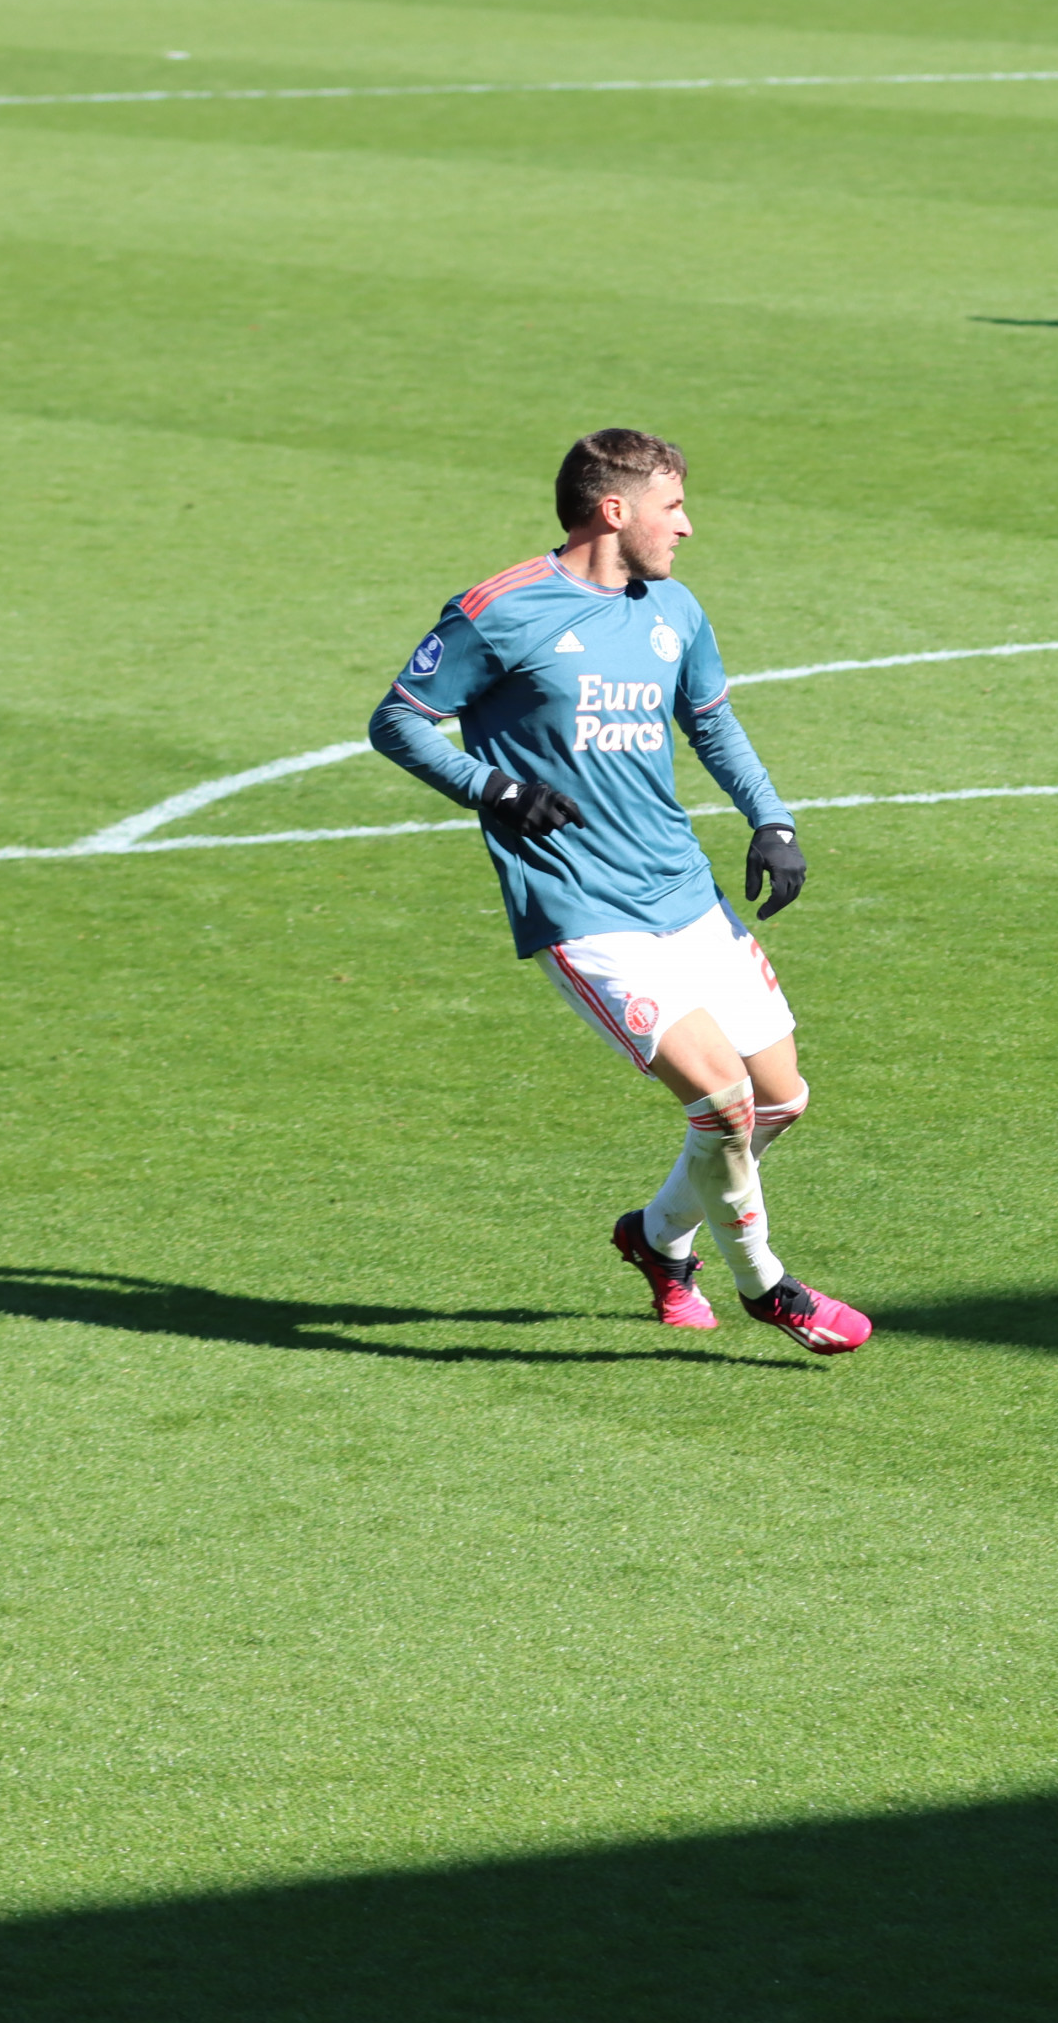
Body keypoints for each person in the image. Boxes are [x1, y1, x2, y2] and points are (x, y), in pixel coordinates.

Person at [367, 431, 870, 1355]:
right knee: (718, 1103)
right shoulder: (500, 611)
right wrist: (496, 790)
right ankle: (771, 1289)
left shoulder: (673, 608)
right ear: (615, 511)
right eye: (672, 506)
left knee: (777, 1101)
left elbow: (713, 724)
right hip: (583, 907)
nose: (687, 525)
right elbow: (398, 721)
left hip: (683, 892)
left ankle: (655, 1236)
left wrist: (773, 820)